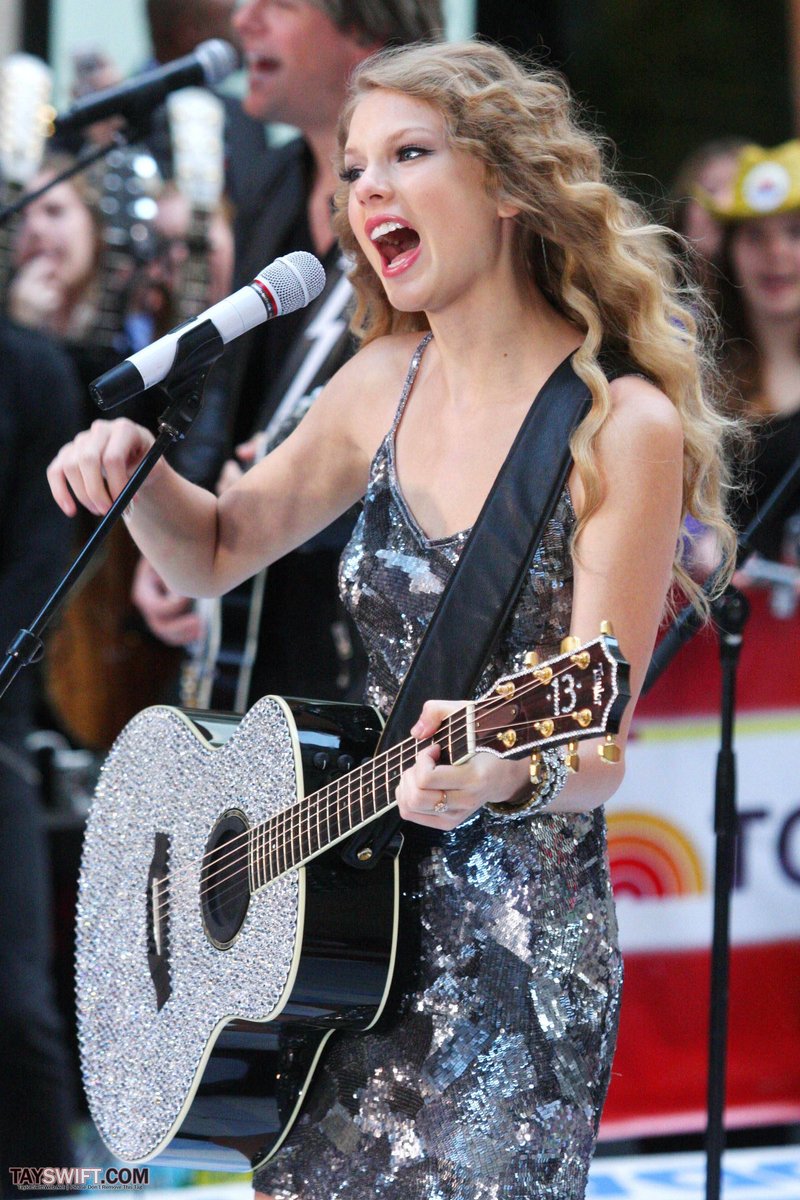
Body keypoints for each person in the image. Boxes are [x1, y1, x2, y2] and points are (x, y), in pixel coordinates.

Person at [48, 39, 736, 1200]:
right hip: (322, 944)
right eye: (355, 166)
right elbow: (216, 551)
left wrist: (498, 773)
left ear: (510, 187)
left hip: (504, 958)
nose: (365, 189)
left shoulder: (622, 426)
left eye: (407, 155)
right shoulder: (379, 378)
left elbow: (594, 743)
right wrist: (139, 476)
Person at [134, 0, 444, 705]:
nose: (243, 21)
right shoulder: (268, 184)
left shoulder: (428, 221)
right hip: (262, 639)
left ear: (368, 28)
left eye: (279, 4)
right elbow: (227, 391)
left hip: (372, 658)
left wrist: (292, 497)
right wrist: (177, 522)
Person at [0, 316, 82, 1195]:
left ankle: (49, 1184)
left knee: (15, 1009)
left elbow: (37, 572)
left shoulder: (31, 369)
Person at [697, 139, 800, 567]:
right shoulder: (693, 376)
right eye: (755, 237)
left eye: (796, 232)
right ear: (730, 254)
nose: (776, 253)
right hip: (724, 625)